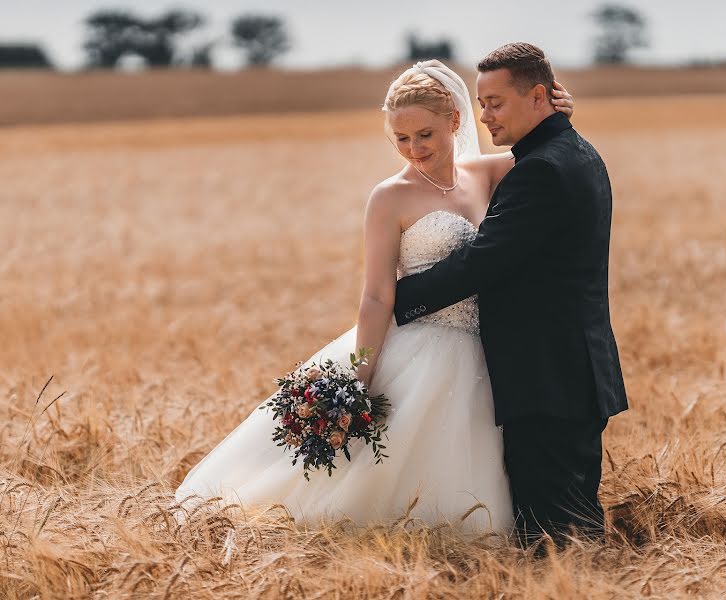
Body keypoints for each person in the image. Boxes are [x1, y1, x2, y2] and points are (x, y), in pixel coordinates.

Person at [175, 58, 575, 533]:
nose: (413, 149)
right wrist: (359, 377)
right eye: (401, 139)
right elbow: (376, 296)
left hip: (484, 350)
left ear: (455, 120)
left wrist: (561, 112)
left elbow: (544, 150)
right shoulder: (390, 197)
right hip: (421, 347)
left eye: (424, 134)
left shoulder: (485, 174)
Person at [393, 43, 628, 547]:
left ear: (539, 96)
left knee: (551, 540)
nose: (484, 116)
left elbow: (483, 261)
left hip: (546, 381)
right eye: (481, 103)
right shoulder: (575, 151)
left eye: (495, 102)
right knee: (574, 531)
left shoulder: (542, 170)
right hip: (571, 374)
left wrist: (395, 298)